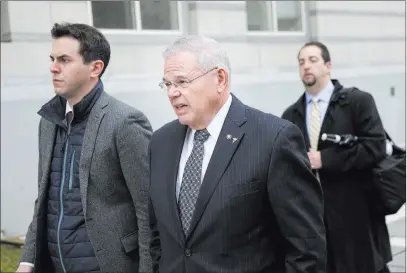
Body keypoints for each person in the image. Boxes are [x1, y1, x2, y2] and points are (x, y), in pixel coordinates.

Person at [148, 35, 327, 273]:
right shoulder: (160, 143)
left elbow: (306, 248)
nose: (172, 93)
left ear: (220, 79)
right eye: (167, 84)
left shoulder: (273, 139)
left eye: (181, 81)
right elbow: (156, 236)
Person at [17, 23, 152, 273]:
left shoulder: (125, 122)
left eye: (65, 60)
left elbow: (148, 211)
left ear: (95, 68)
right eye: (52, 59)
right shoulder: (48, 122)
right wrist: (28, 260)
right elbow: (44, 199)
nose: (53, 68)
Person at [281, 41, 391, 273]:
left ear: (328, 66)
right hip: (314, 215)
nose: (306, 67)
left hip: (356, 211)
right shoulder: (290, 114)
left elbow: (375, 147)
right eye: (301, 62)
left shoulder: (357, 102)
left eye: (312, 60)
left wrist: (325, 159)